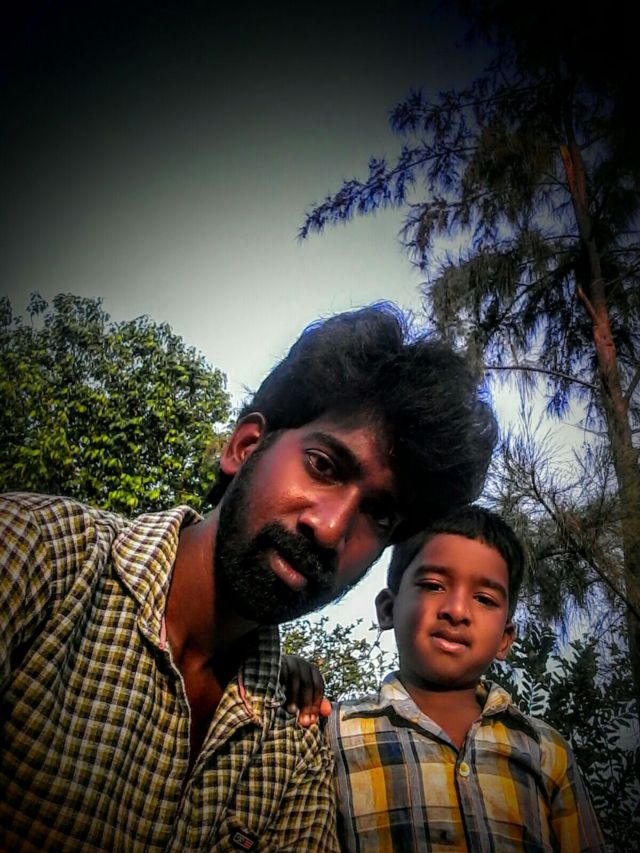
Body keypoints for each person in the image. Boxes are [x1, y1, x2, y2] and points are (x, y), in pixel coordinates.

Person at [0, 302, 497, 851]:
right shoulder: (38, 556)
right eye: (323, 465)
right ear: (244, 447)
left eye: (378, 515)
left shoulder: (295, 744)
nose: (331, 529)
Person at [283, 505, 606, 851]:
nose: (456, 610)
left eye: (484, 599)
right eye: (434, 586)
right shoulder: (331, 733)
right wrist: (280, 673)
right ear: (388, 609)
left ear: (504, 639)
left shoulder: (545, 750)